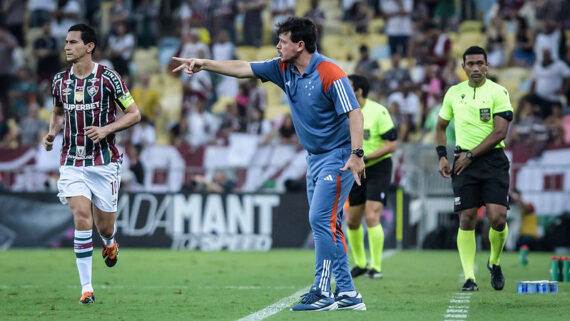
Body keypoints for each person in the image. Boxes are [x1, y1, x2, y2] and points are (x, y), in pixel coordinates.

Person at [172, 17, 366, 311]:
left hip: (337, 159)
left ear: (300, 45)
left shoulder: (330, 73)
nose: (277, 46)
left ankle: (323, 291)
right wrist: (205, 64)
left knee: (320, 221)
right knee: (329, 225)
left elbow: (354, 113)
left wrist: (357, 154)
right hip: (314, 159)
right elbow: (243, 68)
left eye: (283, 41)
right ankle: (349, 294)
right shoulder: (282, 68)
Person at [43, 24, 141, 304]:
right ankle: (87, 288)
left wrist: (107, 129)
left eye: (73, 42)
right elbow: (58, 112)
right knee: (81, 218)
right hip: (72, 161)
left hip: (104, 162)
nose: (66, 47)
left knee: (105, 228)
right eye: (66, 42)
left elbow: (134, 114)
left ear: (89, 47)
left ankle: (110, 245)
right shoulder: (60, 81)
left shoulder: (109, 78)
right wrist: (52, 133)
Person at [436, 46, 513, 292]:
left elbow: (500, 132)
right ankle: (469, 278)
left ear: (487, 65)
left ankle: (495, 261)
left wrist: (471, 155)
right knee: (466, 219)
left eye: (480, 63)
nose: (476, 68)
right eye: (471, 64)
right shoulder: (454, 93)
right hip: (462, 162)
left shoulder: (498, 92)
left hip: (492, 161)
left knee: (498, 219)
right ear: (464, 67)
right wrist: (442, 156)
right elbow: (440, 126)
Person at [346, 74, 397, 279]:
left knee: (371, 215)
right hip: (356, 169)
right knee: (351, 221)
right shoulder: (344, 111)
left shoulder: (378, 111)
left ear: (358, 91)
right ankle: (360, 263)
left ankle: (376, 266)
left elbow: (392, 144)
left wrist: (366, 157)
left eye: (348, 87)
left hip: (377, 168)